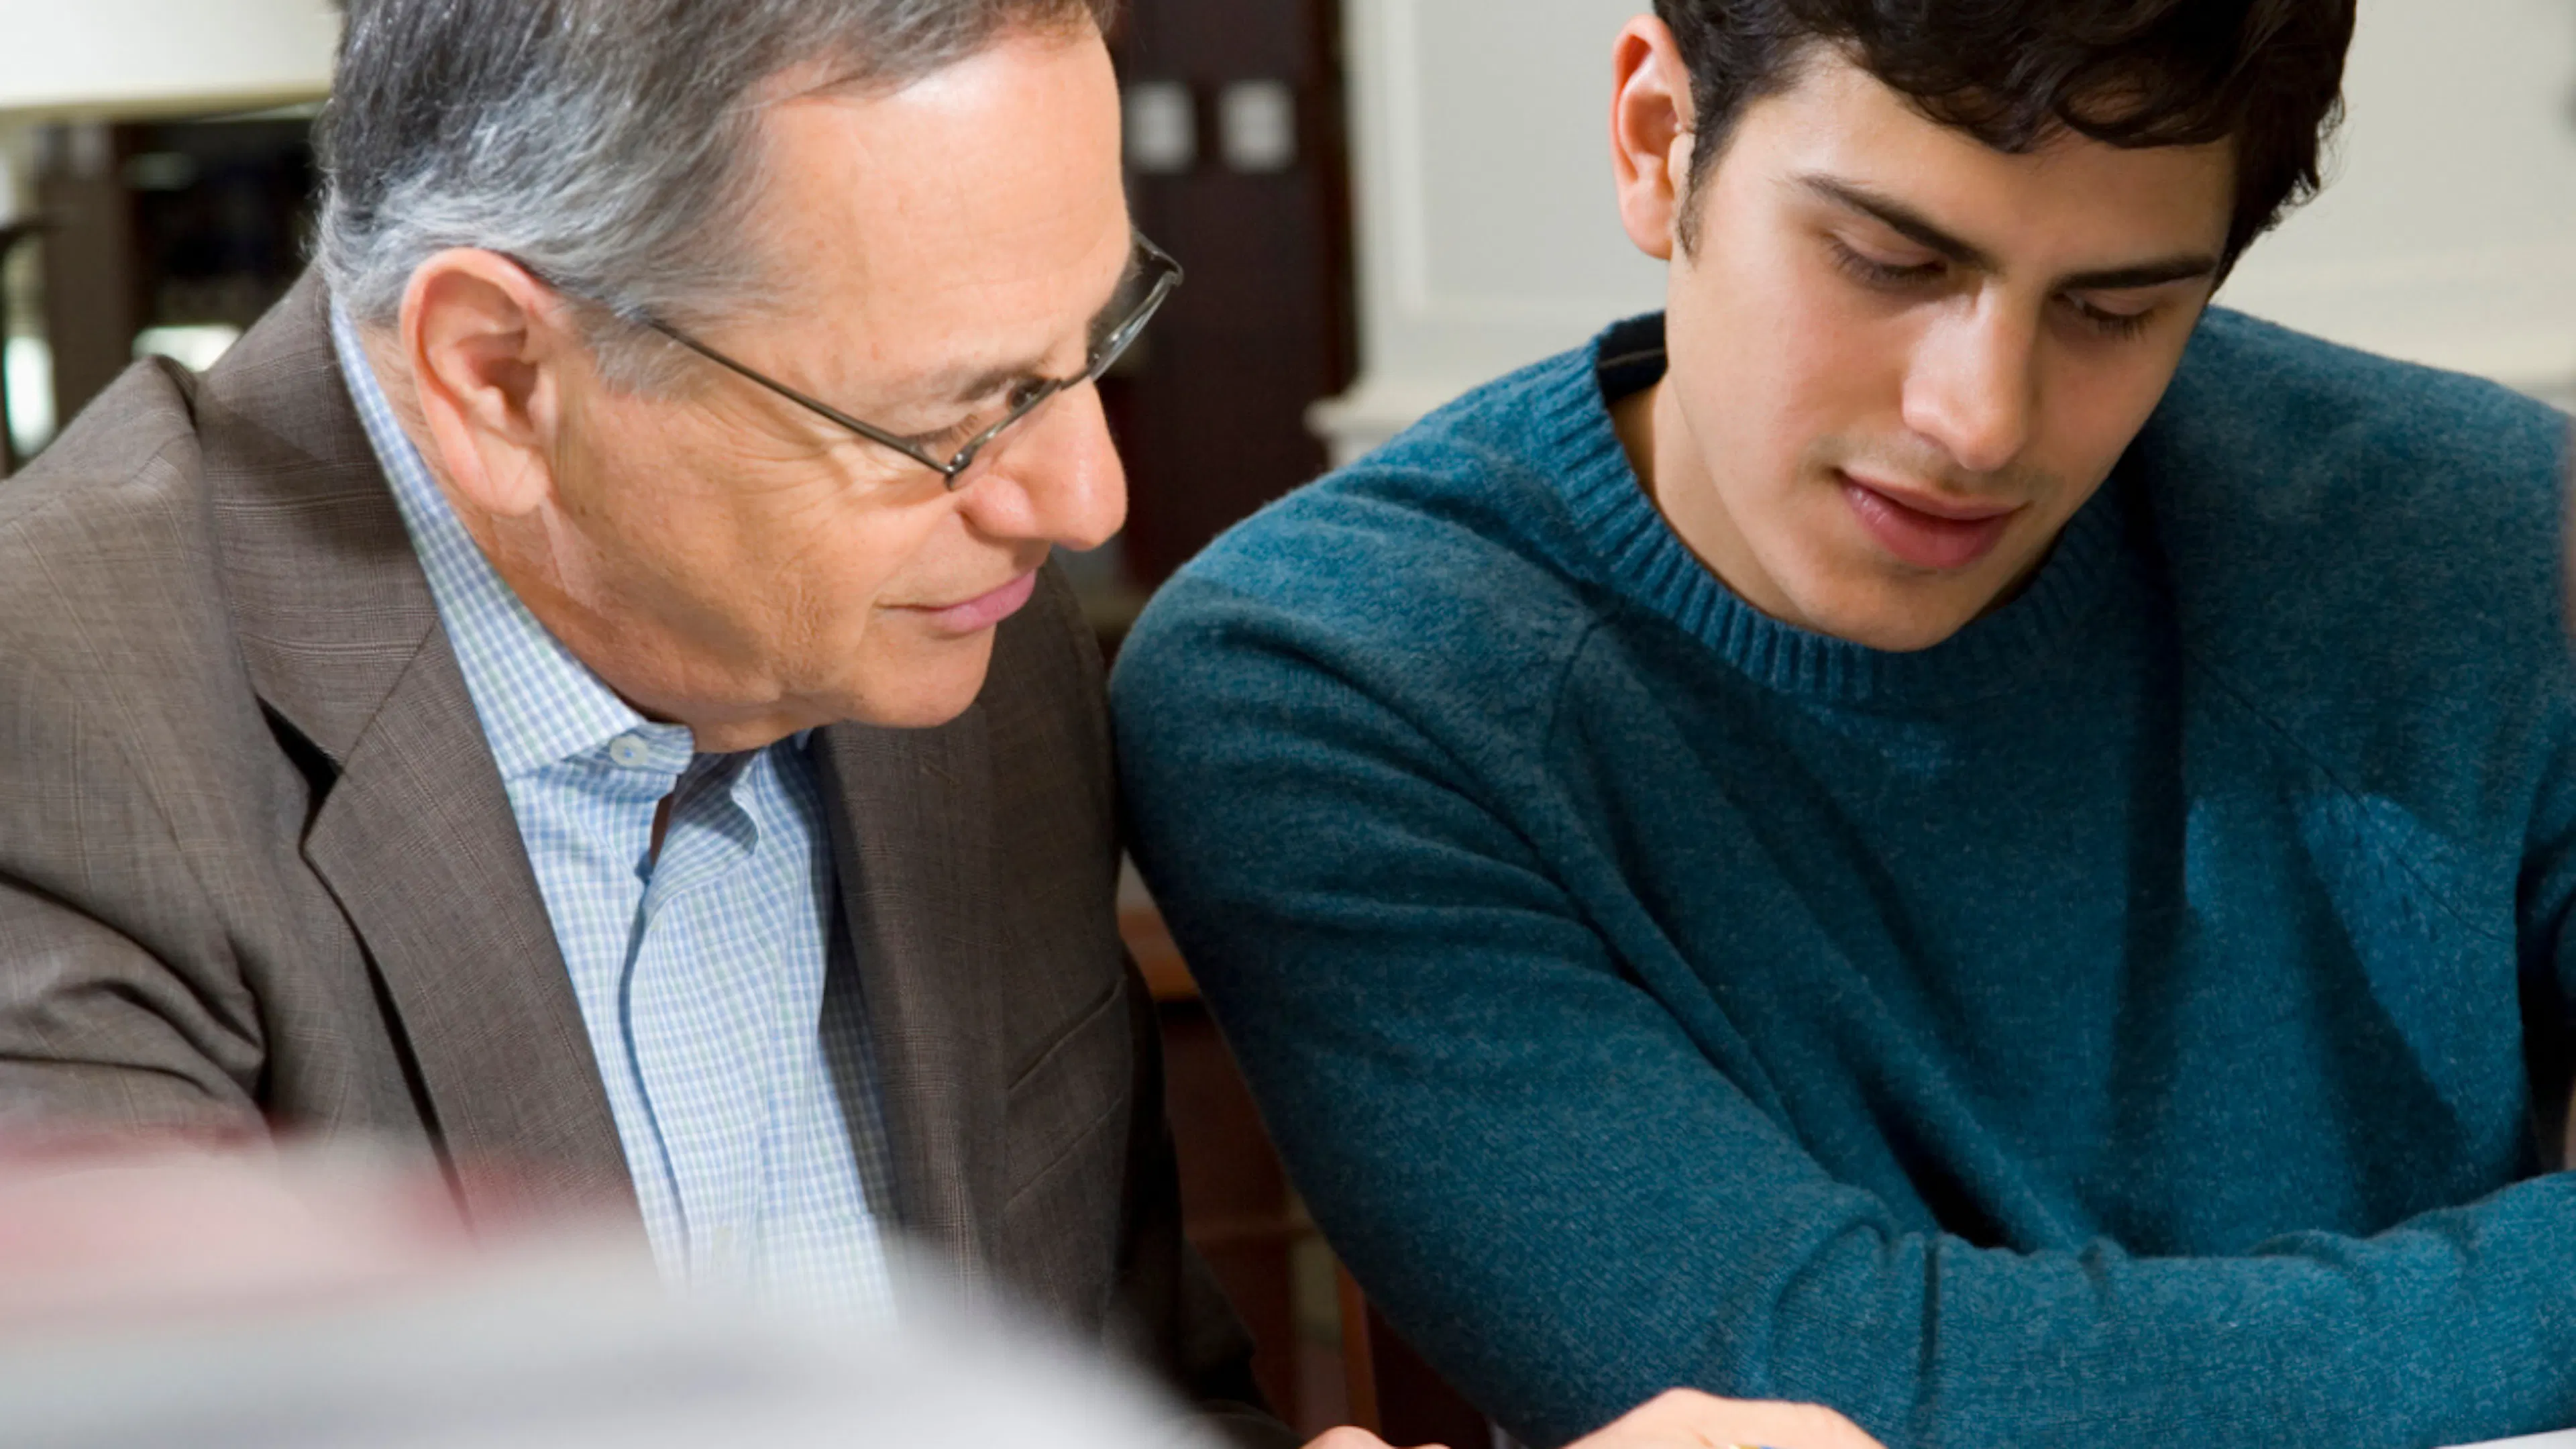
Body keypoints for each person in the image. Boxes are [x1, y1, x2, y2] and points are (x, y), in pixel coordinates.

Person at [0, 2, 1888, 1448]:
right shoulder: (60, 743)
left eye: (1096, 346)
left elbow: (1129, 1392)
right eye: (953, 414)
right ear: (498, 375)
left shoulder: (947, 651)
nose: (1078, 502)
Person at [1111, 0, 2576, 1444]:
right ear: (1654, 138)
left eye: (2115, 310)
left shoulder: (2493, 539)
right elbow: (1802, 1387)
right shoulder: (1327, 675)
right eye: (1886, 260)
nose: (1981, 420)